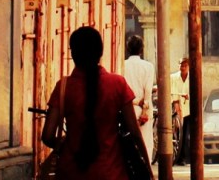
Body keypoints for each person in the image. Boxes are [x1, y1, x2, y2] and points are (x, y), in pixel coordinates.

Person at [43, 27, 146, 180]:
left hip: (71, 172)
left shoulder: (63, 87)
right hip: (111, 172)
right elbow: (135, 132)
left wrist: (66, 144)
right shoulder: (117, 84)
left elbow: (47, 135)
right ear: (100, 52)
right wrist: (146, 165)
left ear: (73, 54)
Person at [120, 36, 156, 161]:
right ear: (141, 49)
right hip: (143, 110)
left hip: (127, 110)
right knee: (145, 145)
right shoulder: (148, 66)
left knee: (127, 146)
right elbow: (148, 91)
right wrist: (145, 111)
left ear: (128, 49)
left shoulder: (122, 66)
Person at [170, 58, 192, 165]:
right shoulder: (173, 77)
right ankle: (177, 157)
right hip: (176, 108)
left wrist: (188, 96)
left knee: (186, 134)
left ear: (188, 67)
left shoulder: (192, 78)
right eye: (181, 65)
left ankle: (183, 157)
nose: (182, 68)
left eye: (185, 66)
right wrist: (176, 105)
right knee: (177, 133)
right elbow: (172, 93)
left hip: (188, 109)